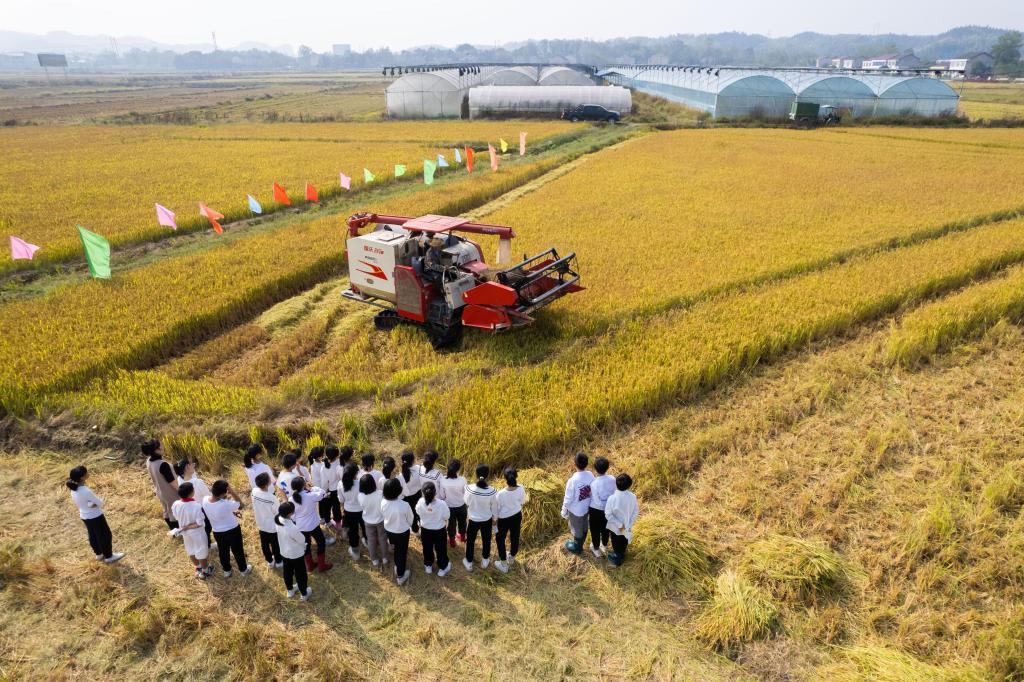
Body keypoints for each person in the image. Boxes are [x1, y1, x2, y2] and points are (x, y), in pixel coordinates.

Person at [67, 466, 124, 564]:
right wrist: (103, 499)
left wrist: (92, 504)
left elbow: (85, 502)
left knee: (93, 535)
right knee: (105, 535)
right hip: (95, 516)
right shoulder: (85, 490)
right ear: (82, 478)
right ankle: (109, 556)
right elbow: (99, 503)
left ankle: (99, 554)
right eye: (86, 473)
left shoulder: (73, 489)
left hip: (84, 515)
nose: (88, 474)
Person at [202, 479, 251, 577]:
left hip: (217, 532)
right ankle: (243, 570)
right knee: (238, 550)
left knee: (223, 551)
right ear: (222, 494)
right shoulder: (225, 504)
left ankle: (227, 571)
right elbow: (241, 505)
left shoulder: (205, 500)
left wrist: (232, 512)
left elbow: (217, 511)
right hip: (233, 530)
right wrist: (232, 491)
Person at [290, 477, 334, 573]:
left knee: (306, 545)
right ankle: (321, 565)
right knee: (321, 542)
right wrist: (312, 488)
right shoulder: (311, 495)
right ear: (303, 485)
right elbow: (323, 493)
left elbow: (292, 515)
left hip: (301, 526)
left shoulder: (291, 498)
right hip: (313, 524)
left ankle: (310, 565)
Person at [171, 482, 212, 580]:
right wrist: (188, 526)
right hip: (197, 534)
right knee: (201, 551)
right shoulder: (196, 506)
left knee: (191, 549)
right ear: (191, 493)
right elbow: (199, 523)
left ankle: (198, 567)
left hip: (185, 533)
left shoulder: (176, 504)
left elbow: (176, 516)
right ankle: (205, 571)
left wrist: (184, 527)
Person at [463, 464, 498, 572]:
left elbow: (466, 502)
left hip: (473, 519)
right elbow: (494, 507)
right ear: (487, 475)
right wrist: (495, 519)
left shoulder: (469, 488)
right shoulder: (492, 491)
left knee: (470, 541)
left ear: (476, 474)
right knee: (486, 540)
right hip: (486, 520)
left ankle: (468, 562)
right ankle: (485, 560)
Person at [275, 502, 313, 601]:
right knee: (300, 573)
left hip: (284, 551)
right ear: (290, 513)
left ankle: (290, 590)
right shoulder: (292, 528)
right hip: (295, 554)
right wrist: (305, 546)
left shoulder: (278, 519)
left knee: (287, 571)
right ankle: (304, 593)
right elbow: (302, 539)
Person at [174, 459, 214, 550]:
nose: (194, 465)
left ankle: (207, 544)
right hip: (202, 508)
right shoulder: (197, 482)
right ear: (187, 467)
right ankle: (207, 546)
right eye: (191, 464)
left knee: (202, 528)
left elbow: (191, 474)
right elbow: (207, 495)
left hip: (190, 508)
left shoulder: (180, 479)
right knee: (207, 527)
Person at [560, 452, 594, 556]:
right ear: (587, 463)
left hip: (575, 511)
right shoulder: (590, 475)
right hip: (587, 507)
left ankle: (577, 547)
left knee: (576, 528)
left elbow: (568, 498)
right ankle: (582, 541)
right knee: (584, 525)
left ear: (574, 463)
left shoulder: (572, 481)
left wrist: (564, 510)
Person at [381, 478, 414, 586]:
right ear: (399, 491)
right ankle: (400, 575)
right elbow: (411, 519)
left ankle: (397, 565)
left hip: (389, 530)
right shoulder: (404, 505)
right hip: (402, 532)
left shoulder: (383, 502)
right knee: (402, 552)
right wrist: (408, 525)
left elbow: (383, 515)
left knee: (395, 548)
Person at [142, 439, 179, 535]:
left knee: (166, 510)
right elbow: (172, 481)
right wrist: (181, 491)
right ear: (157, 450)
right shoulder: (163, 464)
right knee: (174, 512)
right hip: (170, 492)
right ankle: (177, 532)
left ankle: (172, 531)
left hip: (159, 491)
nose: (163, 446)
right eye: (161, 445)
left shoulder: (149, 461)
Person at [415, 482, 451, 577]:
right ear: (435, 492)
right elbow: (447, 516)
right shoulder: (442, 504)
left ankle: (428, 565)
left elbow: (418, 511)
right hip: (439, 530)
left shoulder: (420, 502)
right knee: (441, 549)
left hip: (425, 530)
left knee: (427, 548)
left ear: (423, 493)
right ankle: (443, 568)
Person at [604, 473, 639, 567]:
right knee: (625, 538)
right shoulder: (633, 496)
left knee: (616, 542)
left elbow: (608, 514)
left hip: (617, 527)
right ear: (629, 485)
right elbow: (636, 511)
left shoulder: (612, 498)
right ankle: (622, 552)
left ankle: (618, 559)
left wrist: (619, 525)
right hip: (627, 525)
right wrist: (629, 523)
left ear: (616, 484)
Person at [495, 467, 525, 574]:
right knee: (515, 536)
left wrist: (494, 522)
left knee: (500, 539)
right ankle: (511, 557)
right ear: (516, 476)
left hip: (504, 519)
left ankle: (503, 563)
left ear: (505, 478)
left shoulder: (500, 493)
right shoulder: (521, 488)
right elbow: (522, 501)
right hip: (517, 515)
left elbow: (497, 510)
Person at [251, 472, 283, 569]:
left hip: (261, 523)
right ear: (267, 483)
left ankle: (269, 560)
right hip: (272, 526)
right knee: (275, 545)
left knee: (264, 544)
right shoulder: (271, 498)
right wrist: (279, 501)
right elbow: (278, 512)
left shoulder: (254, 491)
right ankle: (278, 561)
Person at [358, 474, 389, 568]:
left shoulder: (360, 496)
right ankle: (385, 558)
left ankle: (374, 559)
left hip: (368, 521)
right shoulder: (380, 493)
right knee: (383, 539)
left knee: (371, 541)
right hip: (380, 520)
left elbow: (361, 507)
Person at [588, 457, 617, 557]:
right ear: (607, 467)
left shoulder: (594, 483)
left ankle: (596, 548)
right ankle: (604, 545)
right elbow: (615, 493)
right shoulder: (613, 479)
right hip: (609, 509)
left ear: (595, 469)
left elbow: (597, 502)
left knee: (595, 530)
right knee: (606, 529)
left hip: (596, 511)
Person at [440, 459, 467, 547]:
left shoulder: (443, 480)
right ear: (458, 469)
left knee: (451, 525)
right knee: (462, 522)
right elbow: (465, 493)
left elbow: (442, 495)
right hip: (461, 505)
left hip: (449, 506)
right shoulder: (462, 480)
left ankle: (452, 541)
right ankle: (462, 537)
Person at [339, 463, 363, 561]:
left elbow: (341, 500)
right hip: (361, 510)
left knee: (353, 532)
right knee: (365, 528)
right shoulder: (360, 483)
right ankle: (368, 543)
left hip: (349, 511)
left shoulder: (340, 484)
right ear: (356, 473)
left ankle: (355, 552)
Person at [399, 451, 423, 534]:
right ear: (413, 461)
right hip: (418, 494)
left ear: (402, 462)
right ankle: (422, 524)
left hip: (407, 497)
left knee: (411, 513)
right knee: (420, 510)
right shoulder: (419, 469)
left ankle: (415, 530)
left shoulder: (401, 475)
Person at [323, 445, 344, 531]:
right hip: (338, 489)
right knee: (336, 507)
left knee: (327, 507)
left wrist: (325, 490)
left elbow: (324, 482)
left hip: (329, 490)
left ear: (326, 455)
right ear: (337, 454)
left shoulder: (324, 467)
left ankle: (327, 521)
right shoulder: (340, 463)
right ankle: (338, 523)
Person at [308, 446, 329, 526]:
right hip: (321, 487)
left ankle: (322, 517)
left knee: (321, 503)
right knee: (324, 503)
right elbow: (324, 478)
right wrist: (326, 489)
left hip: (317, 486)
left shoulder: (313, 462)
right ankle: (323, 517)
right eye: (323, 453)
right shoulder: (320, 466)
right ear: (320, 456)